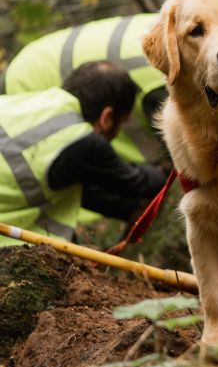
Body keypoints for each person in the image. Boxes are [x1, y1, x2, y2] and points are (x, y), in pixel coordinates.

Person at [0, 61, 168, 246]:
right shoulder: (83, 140)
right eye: (120, 124)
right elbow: (136, 181)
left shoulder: (40, 101)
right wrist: (166, 173)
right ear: (107, 117)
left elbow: (90, 193)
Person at [1, 14, 168, 166]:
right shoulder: (161, 84)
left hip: (33, 62)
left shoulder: (176, 22)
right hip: (25, 86)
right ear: (106, 118)